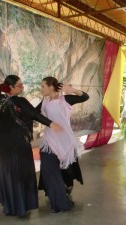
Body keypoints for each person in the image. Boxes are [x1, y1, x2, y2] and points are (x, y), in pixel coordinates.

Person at [0, 75, 62, 217]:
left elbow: (31, 112)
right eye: (19, 85)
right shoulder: (19, 101)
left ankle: (10, 205)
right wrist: (50, 123)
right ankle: (21, 206)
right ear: (10, 87)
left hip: (1, 143)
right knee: (20, 172)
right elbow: (34, 114)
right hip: (17, 143)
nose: (22, 87)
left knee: (7, 172)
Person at [37, 76, 89, 212]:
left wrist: (72, 90)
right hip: (49, 141)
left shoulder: (65, 100)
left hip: (65, 141)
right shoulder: (44, 102)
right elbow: (32, 113)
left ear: (51, 87)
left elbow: (85, 97)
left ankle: (66, 188)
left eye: (43, 86)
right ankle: (54, 191)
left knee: (67, 170)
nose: (41, 89)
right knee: (49, 168)